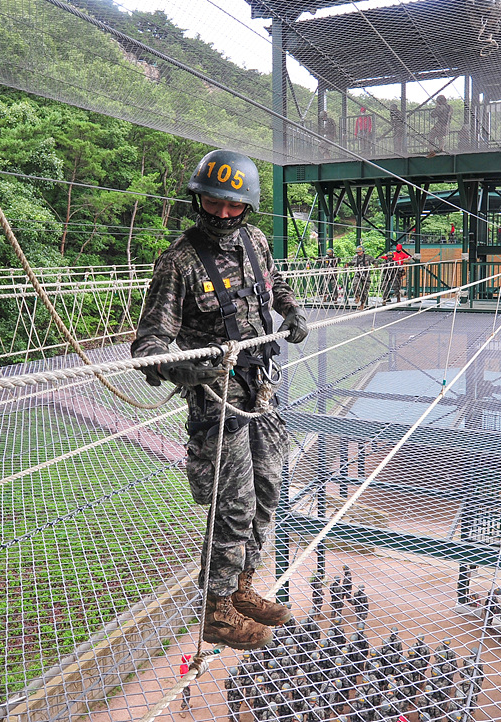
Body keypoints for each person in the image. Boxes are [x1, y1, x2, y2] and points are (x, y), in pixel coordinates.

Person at [131, 149, 308, 650]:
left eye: (233, 207)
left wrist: (290, 310)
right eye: (213, 204)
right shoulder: (179, 262)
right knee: (233, 505)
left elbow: (276, 287)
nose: (223, 215)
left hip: (262, 389)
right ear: (197, 201)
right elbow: (147, 345)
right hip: (217, 400)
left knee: (269, 492)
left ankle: (242, 587)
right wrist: (179, 366)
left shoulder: (254, 241)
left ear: (247, 208)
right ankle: (215, 609)